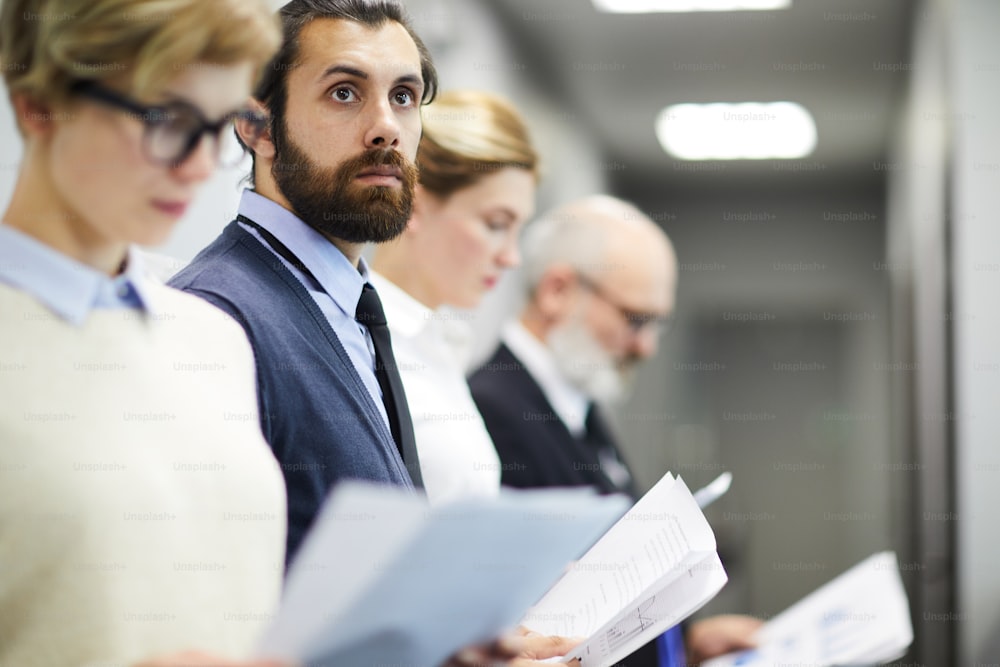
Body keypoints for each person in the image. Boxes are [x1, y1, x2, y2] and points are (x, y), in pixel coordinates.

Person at [168, 2, 578, 664]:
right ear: (255, 125)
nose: (386, 126)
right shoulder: (214, 317)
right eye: (343, 92)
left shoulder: (354, 309)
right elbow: (199, 619)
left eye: (405, 96)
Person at [0, 0, 291, 665]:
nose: (196, 167)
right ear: (39, 102)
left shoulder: (215, 342)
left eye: (220, 128)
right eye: (166, 119)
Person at [468, 195, 762, 665]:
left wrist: (686, 644)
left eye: (655, 325)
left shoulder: (577, 410)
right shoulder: (487, 412)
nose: (645, 347)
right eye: (635, 319)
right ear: (557, 290)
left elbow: (603, 596)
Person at [370, 89, 538, 505]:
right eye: (496, 223)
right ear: (414, 204)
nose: (511, 257)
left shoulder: (442, 347)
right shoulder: (361, 343)